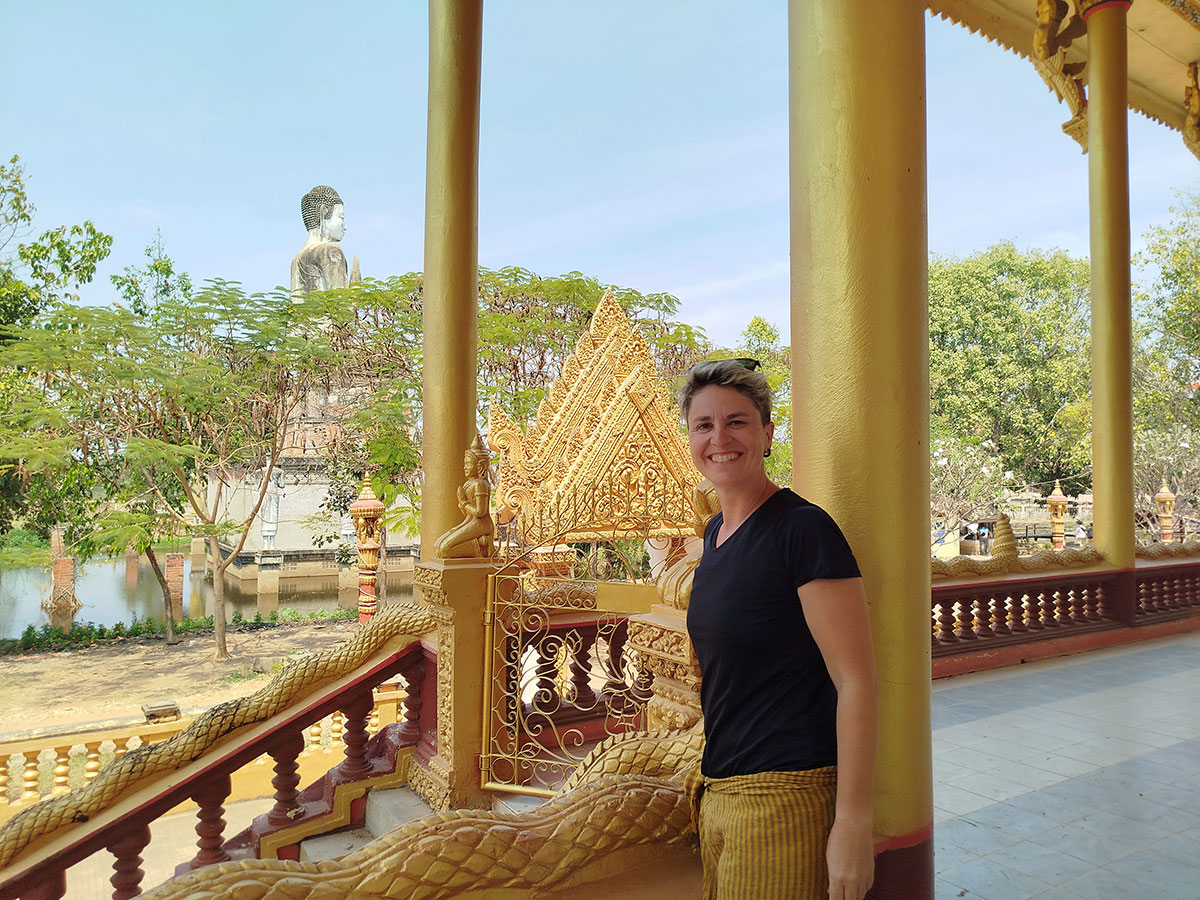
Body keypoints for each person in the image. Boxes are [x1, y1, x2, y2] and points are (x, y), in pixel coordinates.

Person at [680, 359, 877, 900]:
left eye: (738, 422)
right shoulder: (714, 534)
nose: (720, 438)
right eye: (704, 425)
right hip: (718, 790)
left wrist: (853, 823)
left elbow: (855, 680)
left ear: (767, 434)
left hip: (786, 794)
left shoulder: (803, 530)